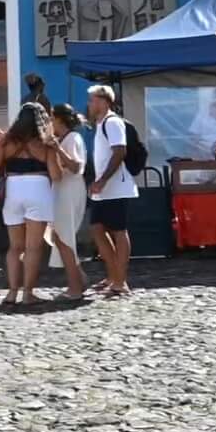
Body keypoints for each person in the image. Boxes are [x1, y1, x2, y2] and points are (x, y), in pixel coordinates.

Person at [0, 105, 60, 308]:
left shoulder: (8, 142)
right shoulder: (45, 144)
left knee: (15, 247)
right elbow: (57, 175)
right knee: (33, 247)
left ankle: (12, 292)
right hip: (38, 189)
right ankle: (28, 293)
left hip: (13, 189)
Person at [84, 85, 137, 296]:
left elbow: (119, 151)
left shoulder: (113, 122)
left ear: (105, 101)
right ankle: (113, 274)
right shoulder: (100, 124)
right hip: (104, 188)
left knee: (118, 231)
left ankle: (120, 280)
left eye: (93, 100)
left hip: (116, 187)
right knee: (97, 228)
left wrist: (103, 179)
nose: (90, 104)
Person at [43, 103, 91, 300]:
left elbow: (76, 166)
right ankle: (80, 278)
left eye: (51, 119)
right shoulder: (66, 138)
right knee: (60, 237)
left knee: (64, 239)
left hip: (69, 191)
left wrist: (57, 149)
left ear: (59, 120)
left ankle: (74, 288)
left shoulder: (72, 138)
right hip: (64, 190)